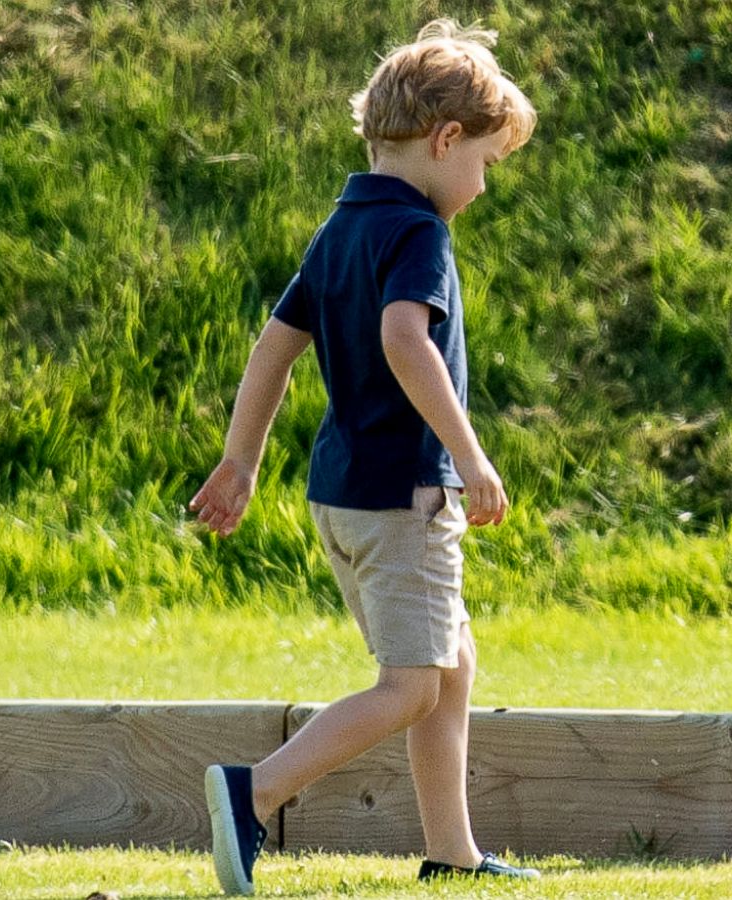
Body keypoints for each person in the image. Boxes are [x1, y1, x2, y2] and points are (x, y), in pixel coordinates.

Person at [187, 19, 539, 894]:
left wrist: (242, 461)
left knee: (451, 662)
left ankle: (453, 855)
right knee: (414, 683)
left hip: (340, 495)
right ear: (444, 139)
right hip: (404, 494)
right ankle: (253, 793)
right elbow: (403, 341)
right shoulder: (418, 233)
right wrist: (472, 454)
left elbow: (274, 346)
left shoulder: (341, 225)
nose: (484, 185)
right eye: (485, 162)